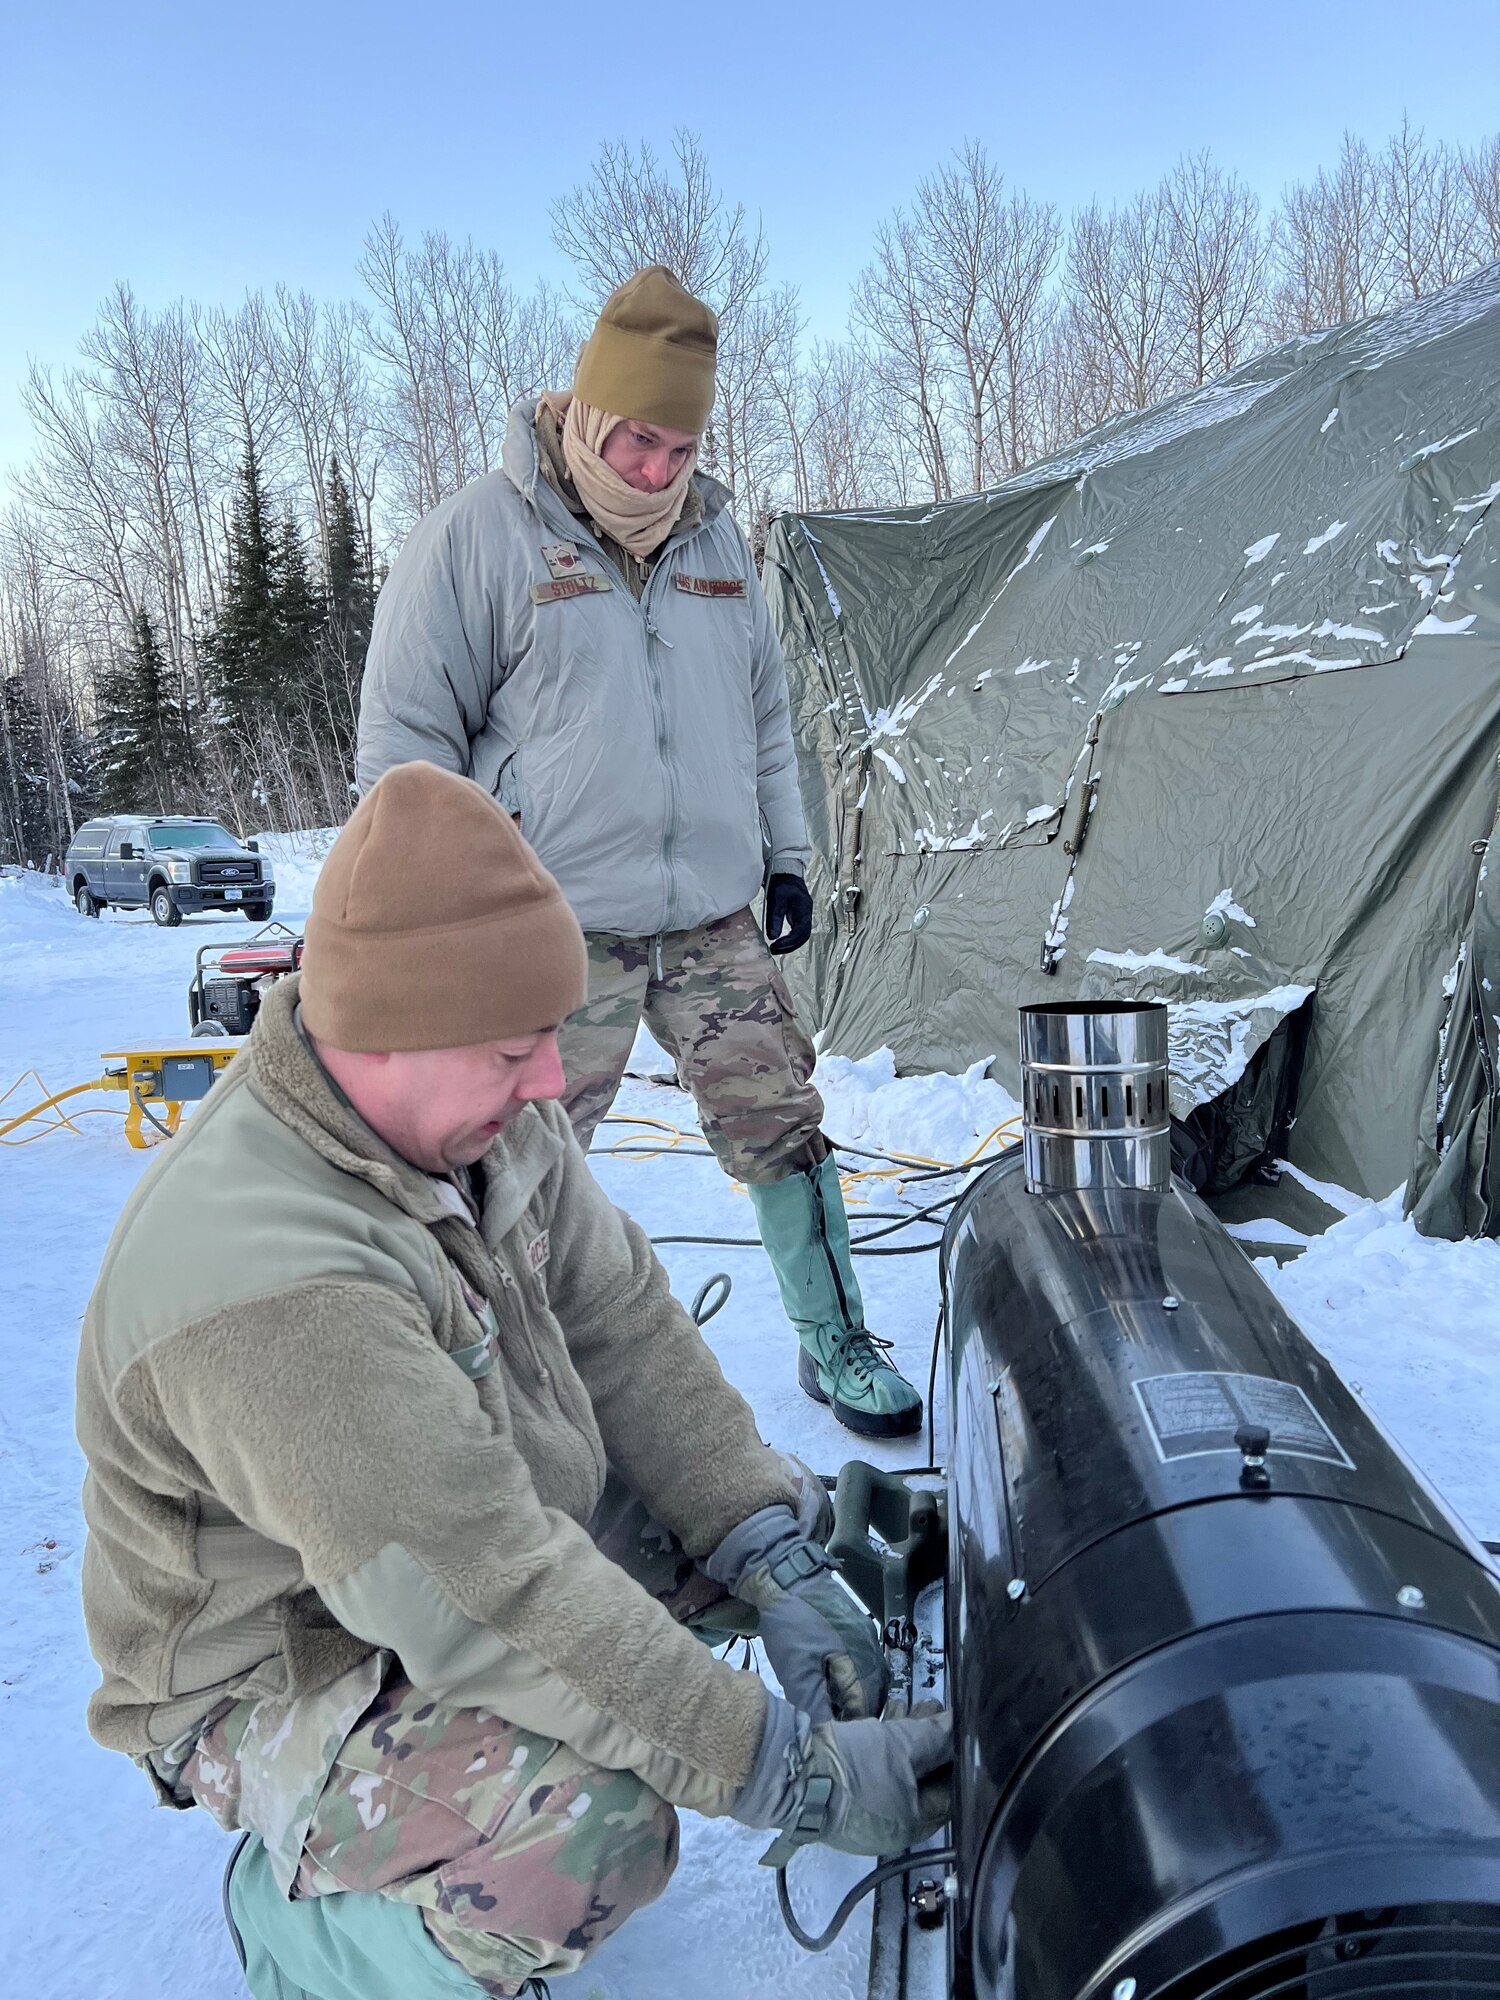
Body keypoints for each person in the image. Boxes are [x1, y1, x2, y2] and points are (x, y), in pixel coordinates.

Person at [75, 763, 950, 2000]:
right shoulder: (267, 1276)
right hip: (283, 1659)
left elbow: (625, 1325)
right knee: (592, 1825)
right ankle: (309, 1933)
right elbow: (481, 1592)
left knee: (760, 1518)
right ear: (387, 1029)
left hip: (440, 1531)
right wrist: (779, 1768)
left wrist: (770, 1550)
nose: (551, 1079)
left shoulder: (473, 1118)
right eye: (513, 1048)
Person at [356, 265, 923, 1439]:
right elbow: (407, 746)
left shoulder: (716, 541)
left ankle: (837, 1342)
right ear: (587, 412)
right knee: (516, 1164)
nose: (657, 472)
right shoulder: (480, 535)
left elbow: (765, 713)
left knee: (782, 1119)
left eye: (681, 447)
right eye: (637, 442)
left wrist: (786, 852)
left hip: (710, 913)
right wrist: (444, 921)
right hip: (554, 925)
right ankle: (500, 1388)